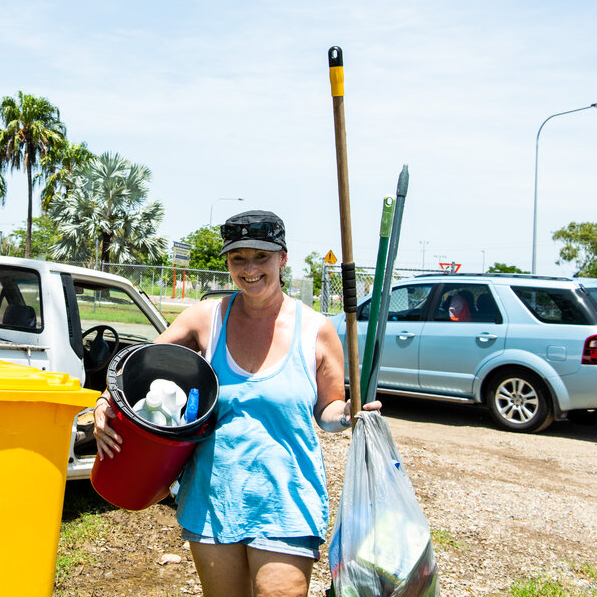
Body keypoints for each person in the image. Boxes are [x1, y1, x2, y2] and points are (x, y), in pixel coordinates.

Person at [93, 210, 381, 597]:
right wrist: (104, 403)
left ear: (283, 258)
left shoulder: (317, 329)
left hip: (286, 502)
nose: (249, 269)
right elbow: (136, 369)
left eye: (261, 256)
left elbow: (327, 411)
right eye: (237, 258)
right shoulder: (206, 318)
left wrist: (348, 413)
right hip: (214, 499)